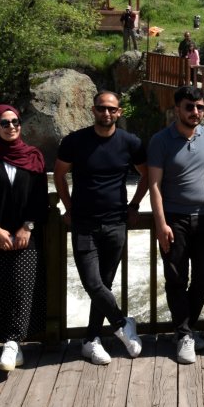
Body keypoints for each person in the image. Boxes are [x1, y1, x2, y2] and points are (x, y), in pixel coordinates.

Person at [54, 91, 149, 365]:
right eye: (100, 108)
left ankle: (90, 340)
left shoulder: (130, 143)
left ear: (119, 112)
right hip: (83, 223)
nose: (106, 113)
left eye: (111, 109)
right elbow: (59, 174)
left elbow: (146, 176)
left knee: (104, 283)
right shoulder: (75, 141)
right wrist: (69, 207)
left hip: (116, 223)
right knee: (93, 283)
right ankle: (122, 323)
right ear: (93, 110)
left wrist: (134, 206)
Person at [0, 104, 48, 372]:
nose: (12, 127)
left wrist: (27, 227)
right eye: (4, 123)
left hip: (26, 234)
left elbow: (40, 198)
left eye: (15, 121)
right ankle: (2, 343)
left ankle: (13, 344)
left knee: (22, 287)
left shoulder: (34, 157)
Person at [148, 86, 204, 364]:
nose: (196, 112)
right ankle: (185, 334)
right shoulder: (160, 140)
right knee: (176, 278)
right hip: (174, 218)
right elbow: (154, 185)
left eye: (200, 107)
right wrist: (161, 223)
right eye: (190, 107)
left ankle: (185, 330)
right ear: (177, 108)